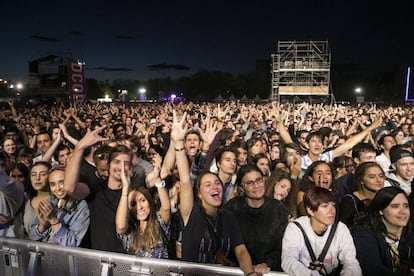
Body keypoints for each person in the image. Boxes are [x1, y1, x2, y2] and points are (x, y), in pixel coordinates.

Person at [173, 111, 262, 275]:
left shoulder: (228, 217)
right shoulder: (191, 214)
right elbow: (186, 179)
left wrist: (249, 272)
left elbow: (240, 250)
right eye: (207, 184)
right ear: (199, 194)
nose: (214, 186)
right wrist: (178, 142)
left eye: (216, 183)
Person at [282, 187, 362, 276]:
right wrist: (310, 274)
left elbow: (351, 262)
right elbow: (288, 260)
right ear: (310, 210)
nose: (332, 211)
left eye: (333, 205)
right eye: (325, 206)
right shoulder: (296, 228)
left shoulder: (340, 229)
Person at [225, 165, 289, 272]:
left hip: (270, 271)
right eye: (249, 183)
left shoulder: (278, 208)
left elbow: (282, 246)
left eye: (259, 180)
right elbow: (228, 246)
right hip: (238, 271)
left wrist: (267, 264)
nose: (256, 186)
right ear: (241, 188)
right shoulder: (231, 209)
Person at [352, 187, 414, 275]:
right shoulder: (363, 234)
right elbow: (373, 270)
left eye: (406, 206)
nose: (403, 211)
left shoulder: (410, 233)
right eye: (395, 206)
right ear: (381, 210)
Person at [115, 160, 170, 258]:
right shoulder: (129, 230)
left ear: (149, 201)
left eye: (143, 200)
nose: (139, 207)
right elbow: (120, 227)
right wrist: (125, 189)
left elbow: (166, 208)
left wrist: (157, 180)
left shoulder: (158, 221)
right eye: (133, 204)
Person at [28, 167, 89, 247]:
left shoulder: (81, 206)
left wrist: (54, 221)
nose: (58, 188)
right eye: (52, 184)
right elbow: (32, 237)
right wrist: (42, 225)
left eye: (62, 182)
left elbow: (72, 243)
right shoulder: (50, 200)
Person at [338, 162, 385, 228]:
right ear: (361, 180)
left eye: (381, 176)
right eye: (372, 177)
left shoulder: (384, 198)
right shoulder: (349, 201)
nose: (378, 180)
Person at [24, 161, 51, 237]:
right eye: (33, 175)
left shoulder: (57, 201)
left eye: (43, 174)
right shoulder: (26, 199)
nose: (37, 178)